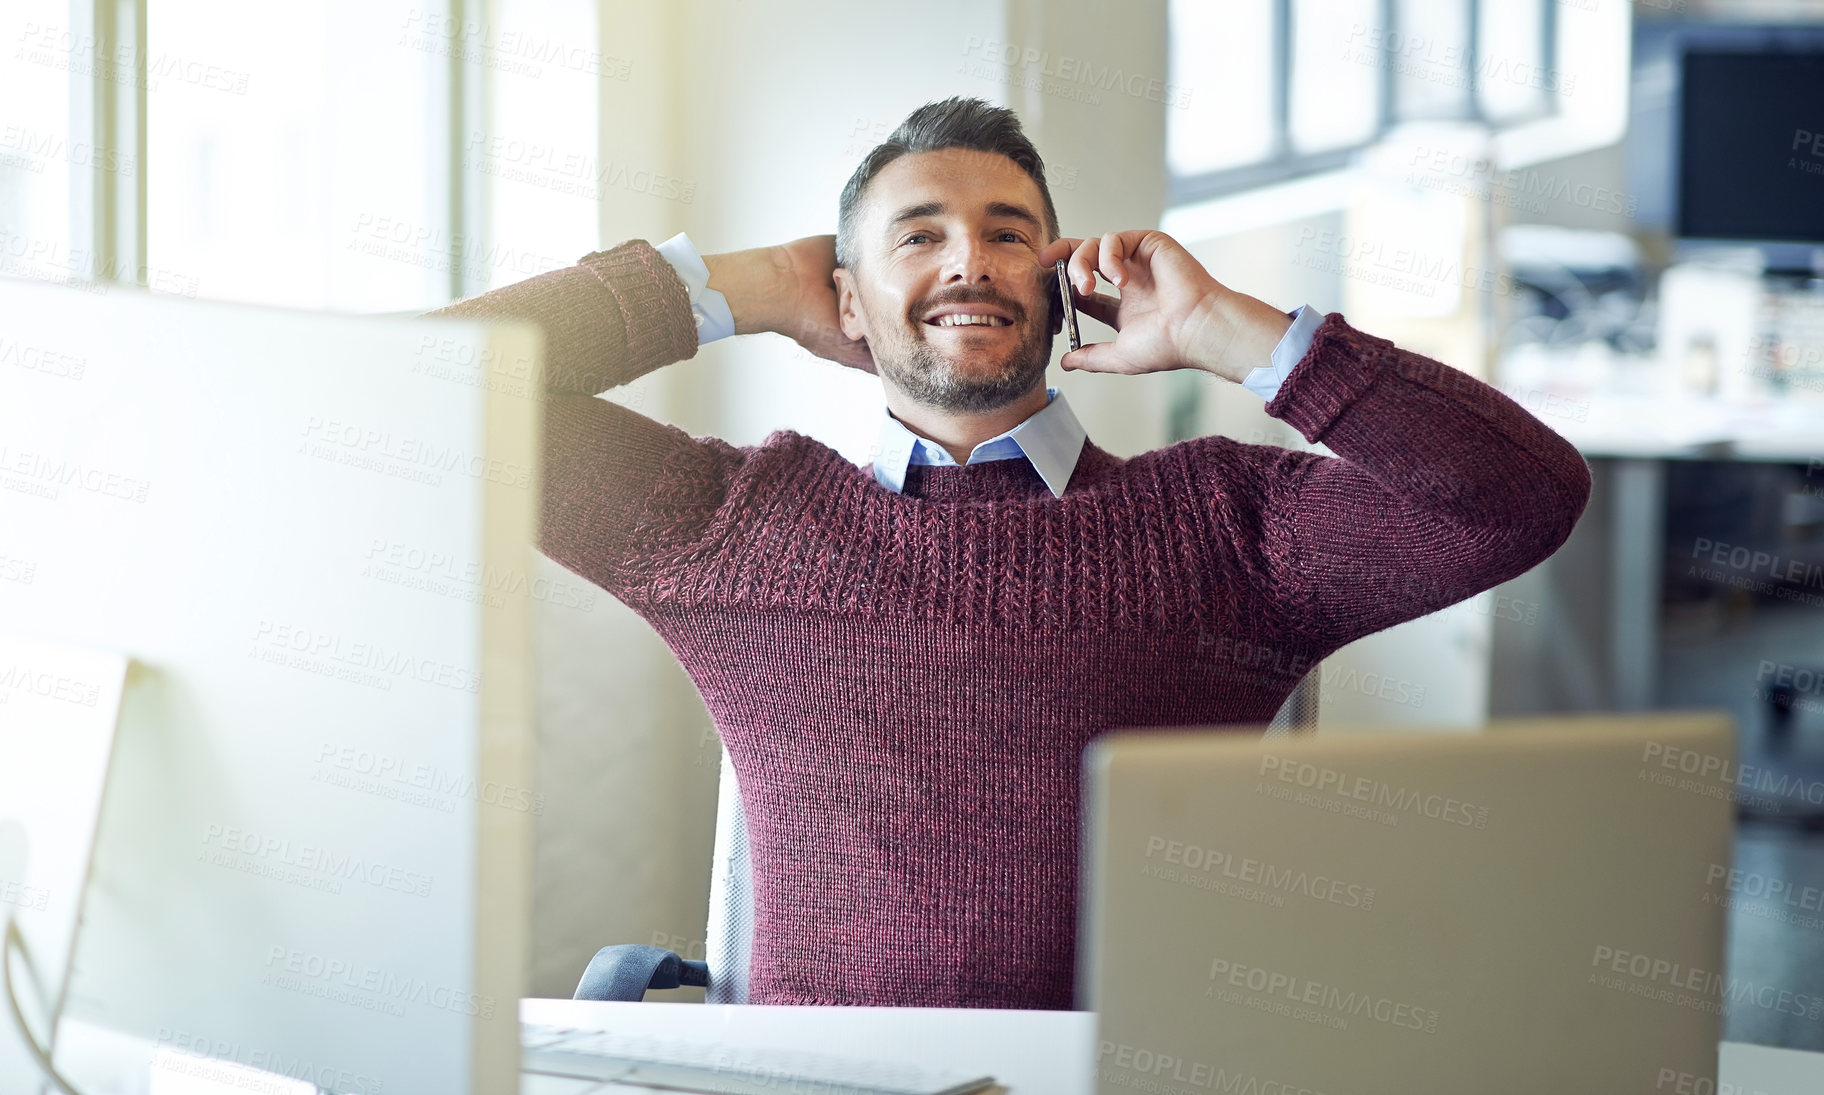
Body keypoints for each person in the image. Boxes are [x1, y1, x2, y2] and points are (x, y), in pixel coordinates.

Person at [428, 96, 1592, 1010]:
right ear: (847, 295)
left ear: (1062, 283)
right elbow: (418, 388)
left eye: (1007, 234)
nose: (968, 263)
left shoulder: (1229, 527)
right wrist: (738, 289)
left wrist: (1227, 332)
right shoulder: (733, 524)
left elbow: (1521, 498)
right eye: (918, 237)